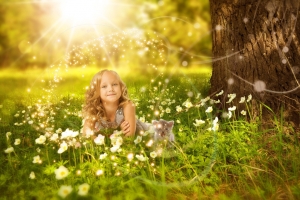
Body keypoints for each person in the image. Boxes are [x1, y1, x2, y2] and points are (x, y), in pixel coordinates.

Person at [82, 69, 147, 137]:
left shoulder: (128, 105)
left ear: (121, 87)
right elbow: (86, 136)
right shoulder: (94, 111)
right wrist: (119, 131)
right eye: (104, 86)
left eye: (114, 84)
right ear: (96, 91)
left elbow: (129, 138)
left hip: (145, 134)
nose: (110, 89)